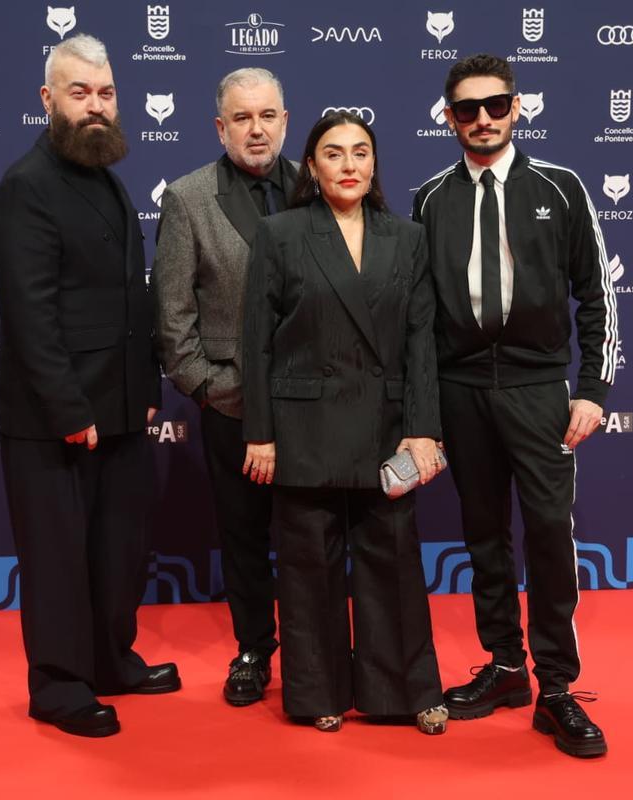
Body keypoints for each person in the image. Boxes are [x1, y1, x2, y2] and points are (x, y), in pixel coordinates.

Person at [412, 54, 619, 758]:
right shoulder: (429, 198)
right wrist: (423, 412)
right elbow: (417, 318)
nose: (483, 119)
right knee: (483, 535)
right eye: (467, 109)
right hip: (461, 390)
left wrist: (592, 389)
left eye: (495, 105)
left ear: (516, 107)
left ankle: (557, 686)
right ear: (449, 118)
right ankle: (505, 667)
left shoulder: (561, 187)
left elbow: (596, 294)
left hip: (538, 391)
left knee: (550, 534)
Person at [0, 33, 179, 739]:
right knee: (59, 557)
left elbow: (130, 297)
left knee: (117, 549)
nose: (96, 106)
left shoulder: (105, 177)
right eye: (80, 92)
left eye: (105, 93)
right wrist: (69, 408)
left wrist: (145, 384)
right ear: (48, 99)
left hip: (119, 403)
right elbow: (30, 315)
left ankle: (110, 659)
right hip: (55, 416)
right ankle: (60, 686)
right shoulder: (26, 187)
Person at [242, 110, 448, 735]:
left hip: (388, 429)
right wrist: (260, 434)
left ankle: (402, 692)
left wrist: (423, 429)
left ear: (375, 163)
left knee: (394, 562)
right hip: (303, 426)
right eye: (334, 153)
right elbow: (257, 344)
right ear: (312, 165)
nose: (349, 164)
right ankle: (318, 692)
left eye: (361, 152)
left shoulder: (407, 238)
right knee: (309, 567)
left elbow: (421, 342)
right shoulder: (279, 234)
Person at [152, 68, 296, 706]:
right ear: (221, 127)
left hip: (316, 405)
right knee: (243, 537)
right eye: (242, 118)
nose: (256, 129)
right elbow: (172, 316)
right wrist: (209, 388)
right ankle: (253, 650)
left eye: (266, 115)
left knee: (313, 536)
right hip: (232, 405)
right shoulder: (188, 198)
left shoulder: (319, 184)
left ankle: (315, 653)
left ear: (285, 121)